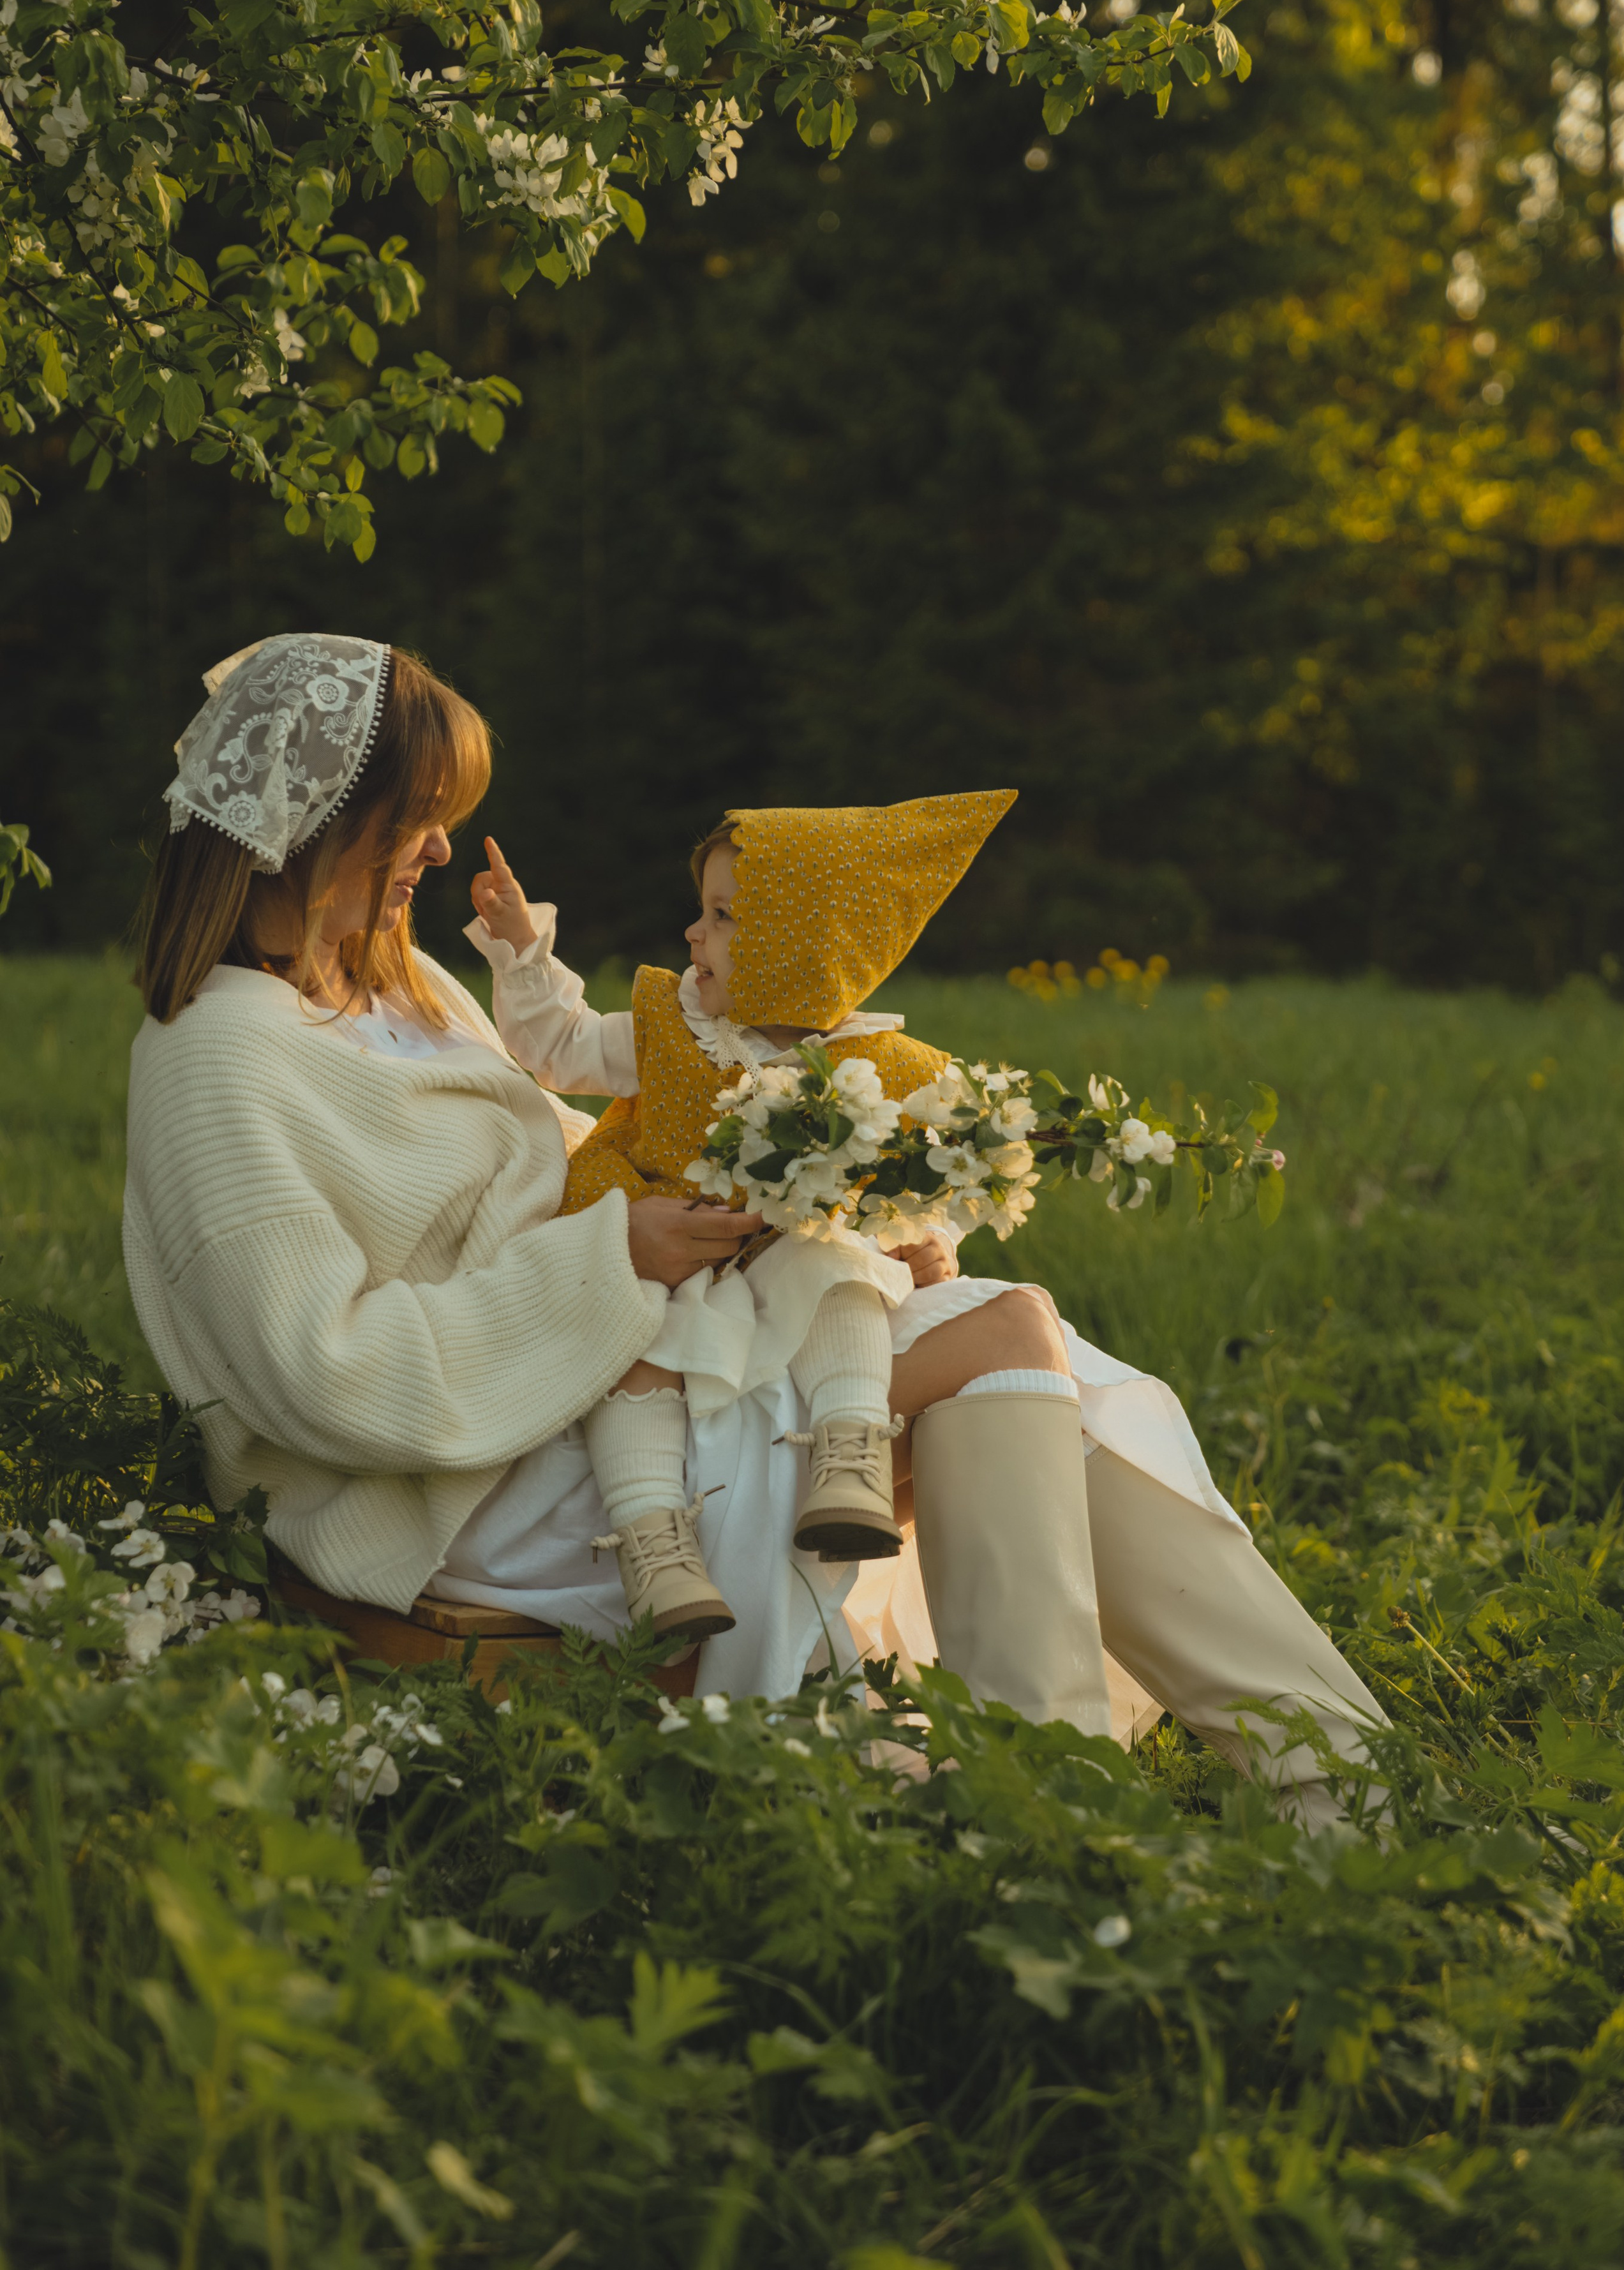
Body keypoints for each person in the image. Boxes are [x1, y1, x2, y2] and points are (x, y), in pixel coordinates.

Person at [123, 632, 1386, 1825]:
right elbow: (319, 1373)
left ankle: (1273, 1783)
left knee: (1014, 1341)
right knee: (1007, 1337)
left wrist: (818, 1211)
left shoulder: (397, 984)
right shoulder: (217, 1060)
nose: (442, 852)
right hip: (469, 1472)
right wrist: (611, 1259)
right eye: (417, 817)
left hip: (596, 1354)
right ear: (312, 824)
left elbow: (563, 1157)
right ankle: (1182, 1794)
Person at [462, 795, 1015, 1655]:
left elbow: (945, 1162)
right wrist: (522, 949)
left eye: (722, 917)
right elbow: (556, 1047)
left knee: (845, 1271)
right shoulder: (674, 1029)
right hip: (671, 1263)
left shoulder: (879, 1066)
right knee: (630, 1353)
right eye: (703, 912)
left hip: (789, 1274)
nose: (693, 934)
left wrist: (935, 1233)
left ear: (802, 944)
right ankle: (657, 1551)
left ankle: (852, 1456)